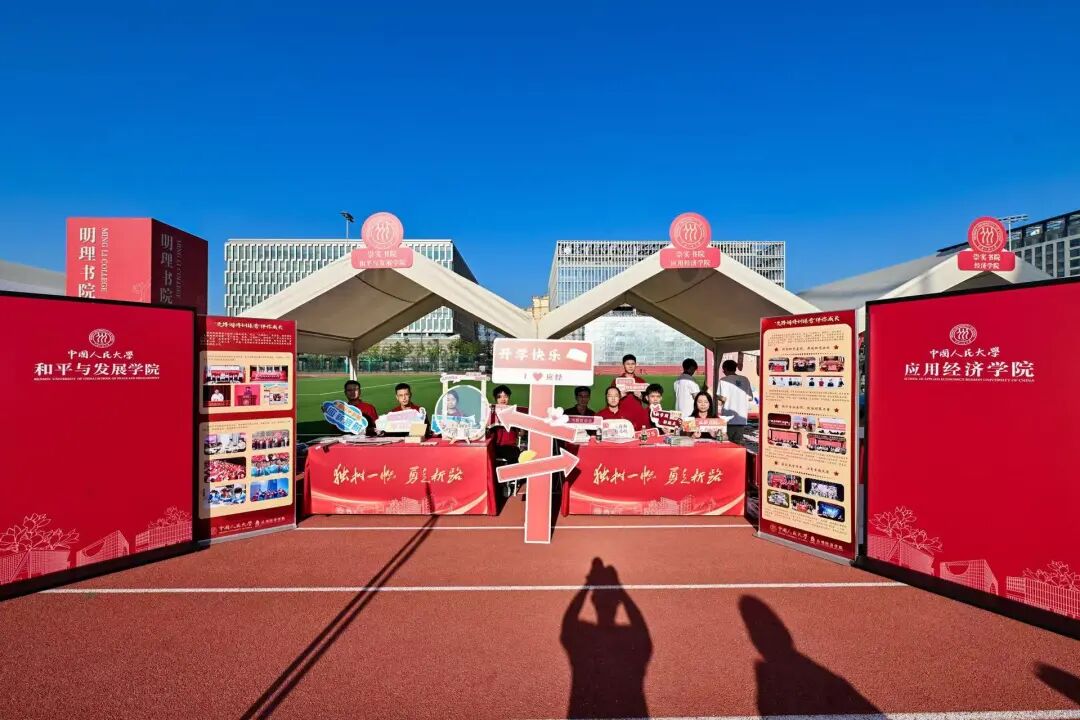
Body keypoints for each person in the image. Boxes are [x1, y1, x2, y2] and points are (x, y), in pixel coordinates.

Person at [718, 359, 754, 444]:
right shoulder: (745, 379)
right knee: (738, 444)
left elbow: (722, 399)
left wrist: (717, 397)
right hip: (741, 418)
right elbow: (750, 398)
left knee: (727, 443)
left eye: (723, 370)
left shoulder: (723, 380)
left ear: (725, 369)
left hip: (728, 418)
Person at [488, 385, 521, 463]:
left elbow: (521, 433)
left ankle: (512, 471)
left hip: (510, 447)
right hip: (493, 446)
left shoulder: (515, 412)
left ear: (509, 397)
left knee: (514, 455)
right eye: (499, 397)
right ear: (496, 399)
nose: (503, 399)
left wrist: (517, 423)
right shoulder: (490, 412)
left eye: (505, 396)